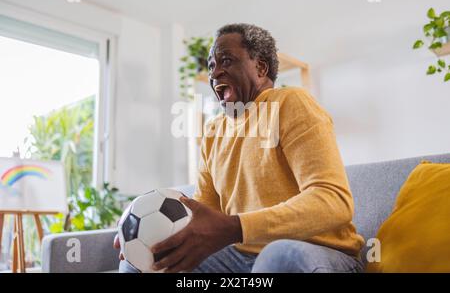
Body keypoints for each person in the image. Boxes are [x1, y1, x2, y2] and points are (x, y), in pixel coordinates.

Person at [115, 23, 365, 273]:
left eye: (226, 61)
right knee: (144, 265)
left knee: (280, 255)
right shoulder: (213, 133)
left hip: (321, 254)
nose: (214, 75)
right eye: (211, 66)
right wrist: (149, 239)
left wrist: (237, 227)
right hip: (240, 257)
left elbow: (334, 201)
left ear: (260, 67)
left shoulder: (291, 103)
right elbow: (203, 216)